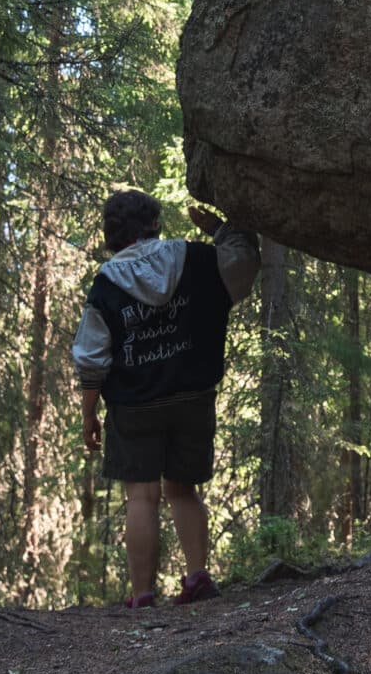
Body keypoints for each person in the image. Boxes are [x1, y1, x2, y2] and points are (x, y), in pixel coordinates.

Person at [72, 189, 261, 608]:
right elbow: (242, 263)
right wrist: (223, 229)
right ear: (154, 222)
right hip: (193, 396)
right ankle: (198, 578)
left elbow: (92, 359)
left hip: (134, 406)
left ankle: (142, 596)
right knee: (183, 489)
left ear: (111, 233)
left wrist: (89, 416)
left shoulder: (106, 284)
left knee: (141, 497)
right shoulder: (195, 259)